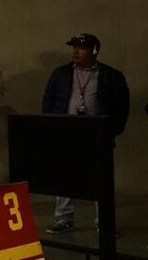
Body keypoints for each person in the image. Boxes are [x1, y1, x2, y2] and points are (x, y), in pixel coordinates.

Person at [43, 33, 129, 234]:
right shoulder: (61, 73)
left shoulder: (110, 75)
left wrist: (110, 132)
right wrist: (51, 126)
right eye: (74, 47)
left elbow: (121, 107)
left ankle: (104, 222)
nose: (75, 51)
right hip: (66, 132)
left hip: (97, 134)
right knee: (65, 176)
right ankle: (64, 218)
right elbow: (49, 100)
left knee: (100, 179)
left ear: (94, 51)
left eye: (81, 48)